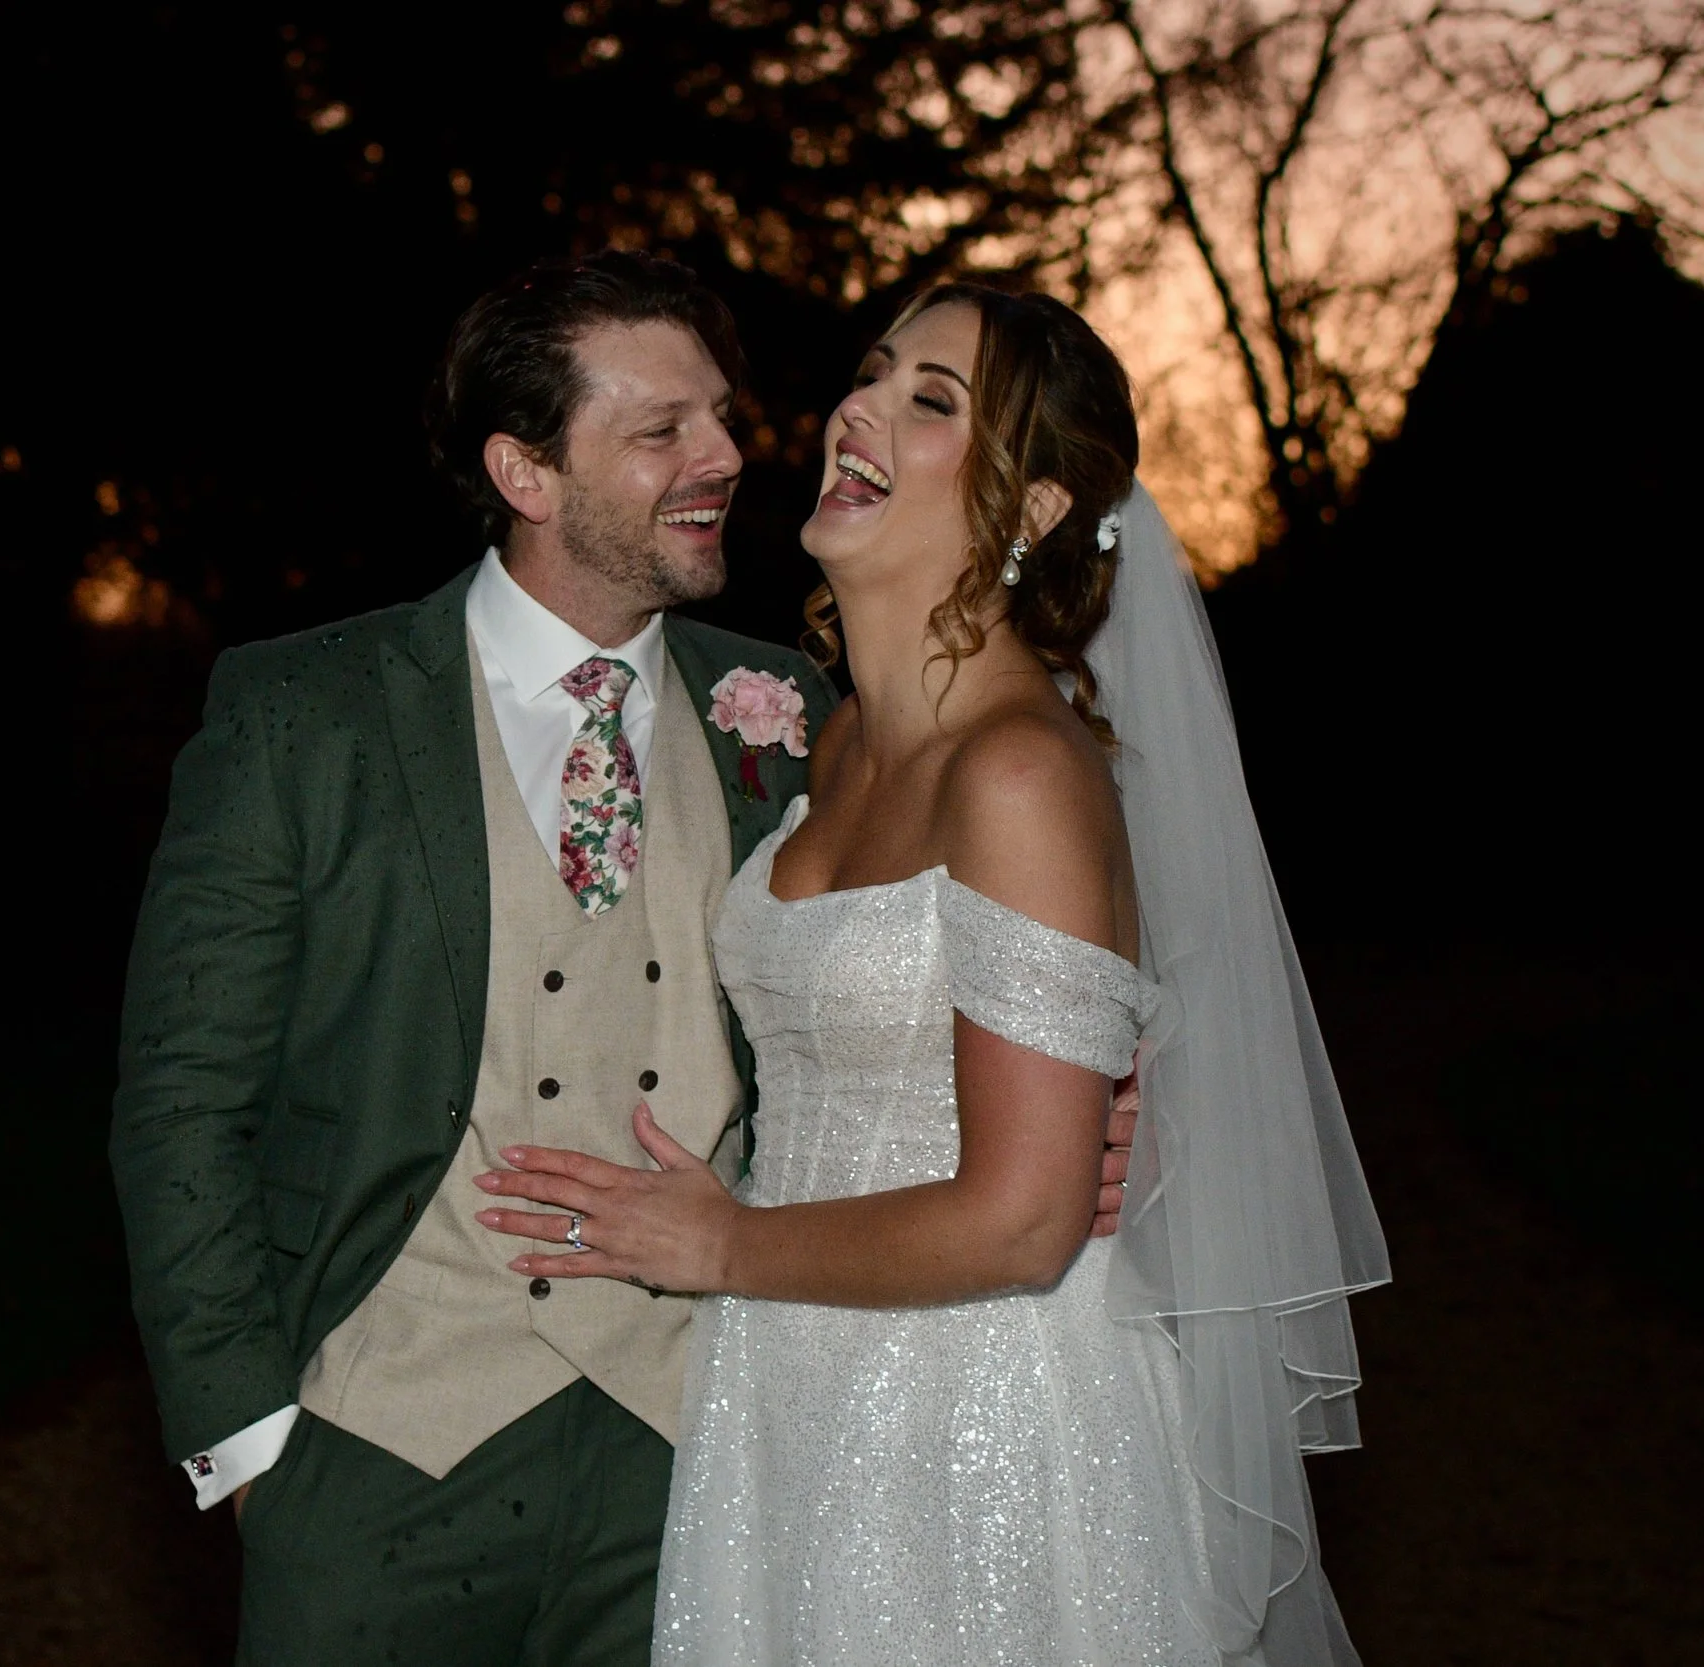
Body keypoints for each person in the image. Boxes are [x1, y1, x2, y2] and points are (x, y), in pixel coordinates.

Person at [111, 251, 1140, 1665]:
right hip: (376, 1455)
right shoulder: (310, 714)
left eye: (721, 414)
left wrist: (1093, 1107)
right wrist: (253, 1446)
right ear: (529, 475)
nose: (727, 454)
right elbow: (181, 1098)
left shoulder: (789, 712)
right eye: (661, 431)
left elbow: (1006, 969)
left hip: (703, 1444)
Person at [474, 284, 1391, 1665]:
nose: (863, 406)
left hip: (988, 1422)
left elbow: (1024, 1221)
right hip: (789, 1383)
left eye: (933, 401)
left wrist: (722, 1240)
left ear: (1028, 512)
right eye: (876, 370)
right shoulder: (830, 747)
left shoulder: (1018, 771)